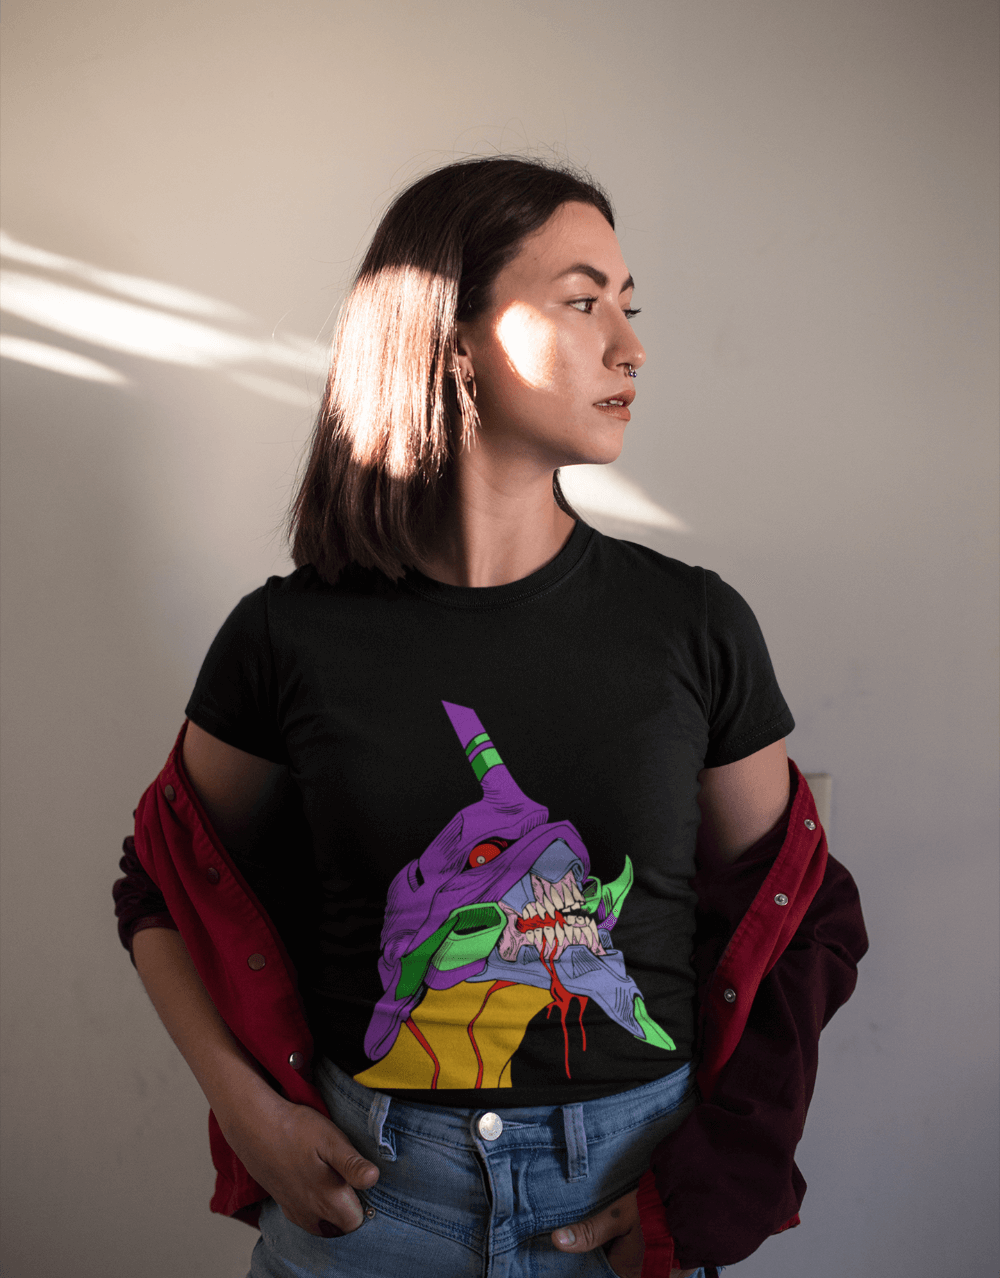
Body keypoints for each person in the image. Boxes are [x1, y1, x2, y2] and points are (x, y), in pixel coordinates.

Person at [114, 155, 867, 1278]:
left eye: (629, 305)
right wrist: (248, 1117)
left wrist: (710, 1184)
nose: (631, 346)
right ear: (453, 338)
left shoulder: (694, 624)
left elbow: (803, 917)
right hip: (369, 1206)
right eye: (583, 301)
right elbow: (159, 882)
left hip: (624, 1196)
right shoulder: (286, 636)